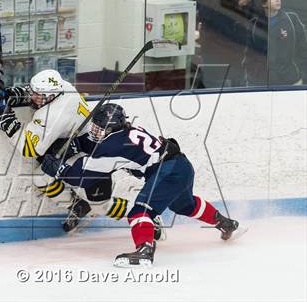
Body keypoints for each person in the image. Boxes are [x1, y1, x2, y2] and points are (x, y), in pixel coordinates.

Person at [40, 103, 241, 267]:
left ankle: (145, 250)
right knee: (184, 205)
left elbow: (83, 176)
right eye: (94, 126)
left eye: (99, 128)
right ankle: (225, 223)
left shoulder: (112, 147)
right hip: (182, 166)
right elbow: (101, 143)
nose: (94, 131)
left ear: (111, 129)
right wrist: (79, 144)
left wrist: (59, 169)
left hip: (167, 172)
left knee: (140, 212)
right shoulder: (127, 131)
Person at [0, 69, 113, 231]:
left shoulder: (51, 116)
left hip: (85, 153)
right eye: (32, 91)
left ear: (51, 96)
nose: (33, 96)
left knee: (41, 178)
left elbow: (29, 149)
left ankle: (81, 205)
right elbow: (39, 96)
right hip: (81, 142)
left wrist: (11, 127)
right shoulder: (64, 86)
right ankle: (79, 205)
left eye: (38, 95)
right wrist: (22, 95)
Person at [242, 0, 307, 86]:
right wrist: (251, 82)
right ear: (264, 4)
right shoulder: (255, 25)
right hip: (264, 84)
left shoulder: (291, 19)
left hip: (292, 82)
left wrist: (303, 77)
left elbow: (304, 49)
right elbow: (249, 56)